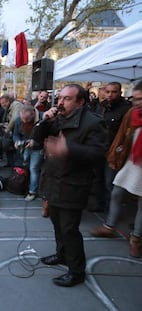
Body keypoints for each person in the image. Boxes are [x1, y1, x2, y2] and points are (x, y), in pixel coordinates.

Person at [33, 84, 107, 287]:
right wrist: (44, 122)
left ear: (81, 102)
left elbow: (99, 155)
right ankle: (62, 254)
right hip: (54, 179)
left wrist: (69, 148)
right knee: (57, 223)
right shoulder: (57, 118)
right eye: (59, 98)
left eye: (67, 99)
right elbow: (37, 140)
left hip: (74, 184)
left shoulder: (92, 123)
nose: (60, 103)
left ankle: (76, 271)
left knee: (69, 228)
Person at [90, 81, 142, 257]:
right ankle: (109, 226)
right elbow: (123, 135)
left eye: (140, 99)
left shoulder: (126, 109)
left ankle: (136, 238)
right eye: (135, 99)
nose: (137, 103)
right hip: (130, 161)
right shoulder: (132, 113)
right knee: (116, 191)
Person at [12, 105, 43, 201]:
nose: (24, 121)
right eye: (23, 119)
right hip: (25, 146)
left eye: (27, 119)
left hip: (37, 147)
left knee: (33, 168)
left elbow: (47, 136)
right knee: (25, 166)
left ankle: (32, 191)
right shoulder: (19, 120)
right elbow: (15, 134)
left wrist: (35, 142)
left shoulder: (42, 119)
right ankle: (25, 186)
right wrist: (16, 141)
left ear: (33, 114)